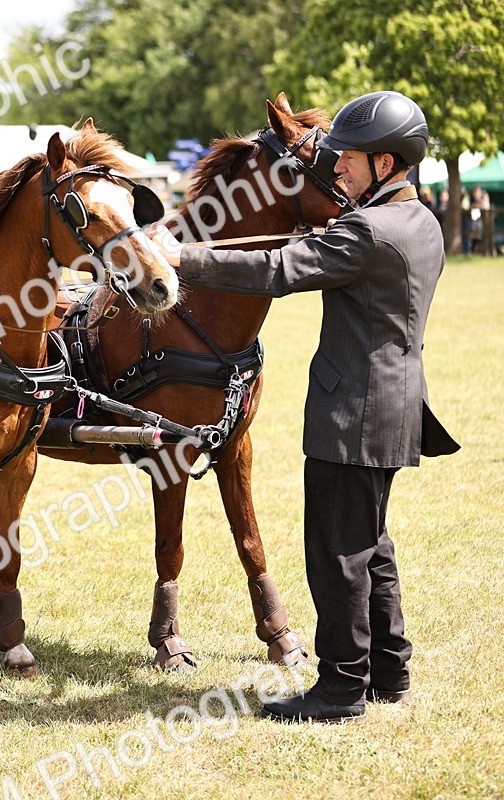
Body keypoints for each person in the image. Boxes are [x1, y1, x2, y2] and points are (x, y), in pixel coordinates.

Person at [155, 90, 460, 723]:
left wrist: (181, 256)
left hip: (352, 413)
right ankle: (388, 669)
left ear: (386, 163)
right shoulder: (420, 221)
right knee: (371, 545)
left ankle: (341, 689)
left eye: (349, 157)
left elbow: (276, 269)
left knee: (335, 553)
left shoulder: (366, 231)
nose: (337, 166)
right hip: (396, 407)